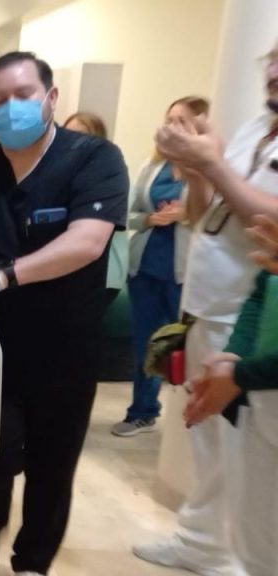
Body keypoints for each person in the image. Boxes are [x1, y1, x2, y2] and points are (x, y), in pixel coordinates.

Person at [0, 52, 129, 576]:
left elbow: (87, 243)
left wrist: (5, 275)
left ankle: (32, 565)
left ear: (51, 97)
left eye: (23, 95)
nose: (11, 108)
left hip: (66, 350)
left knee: (53, 468)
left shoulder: (93, 160)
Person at [136, 39, 278, 576]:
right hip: (205, 304)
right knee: (210, 438)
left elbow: (269, 218)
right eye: (271, 60)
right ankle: (201, 539)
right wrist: (195, 170)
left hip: (246, 314)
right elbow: (204, 214)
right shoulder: (253, 130)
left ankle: (230, 554)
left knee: (244, 448)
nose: (274, 71)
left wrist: (212, 164)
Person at [101, 98, 207, 438]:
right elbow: (127, 214)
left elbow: (215, 218)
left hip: (185, 272)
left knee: (189, 346)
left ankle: (190, 418)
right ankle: (143, 412)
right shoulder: (152, 165)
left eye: (182, 120)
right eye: (169, 118)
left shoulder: (208, 167)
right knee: (146, 345)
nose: (173, 126)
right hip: (145, 267)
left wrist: (185, 215)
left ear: (200, 124)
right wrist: (150, 219)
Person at [184, 214, 278, 576]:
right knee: (255, 548)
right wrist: (234, 357)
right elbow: (262, 288)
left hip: (257, 381)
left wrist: (240, 375)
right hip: (262, 401)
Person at [62, 112, 130, 311]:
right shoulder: (65, 171)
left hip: (103, 273)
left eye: (81, 135)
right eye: (68, 133)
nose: (73, 140)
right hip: (70, 272)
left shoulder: (110, 173)